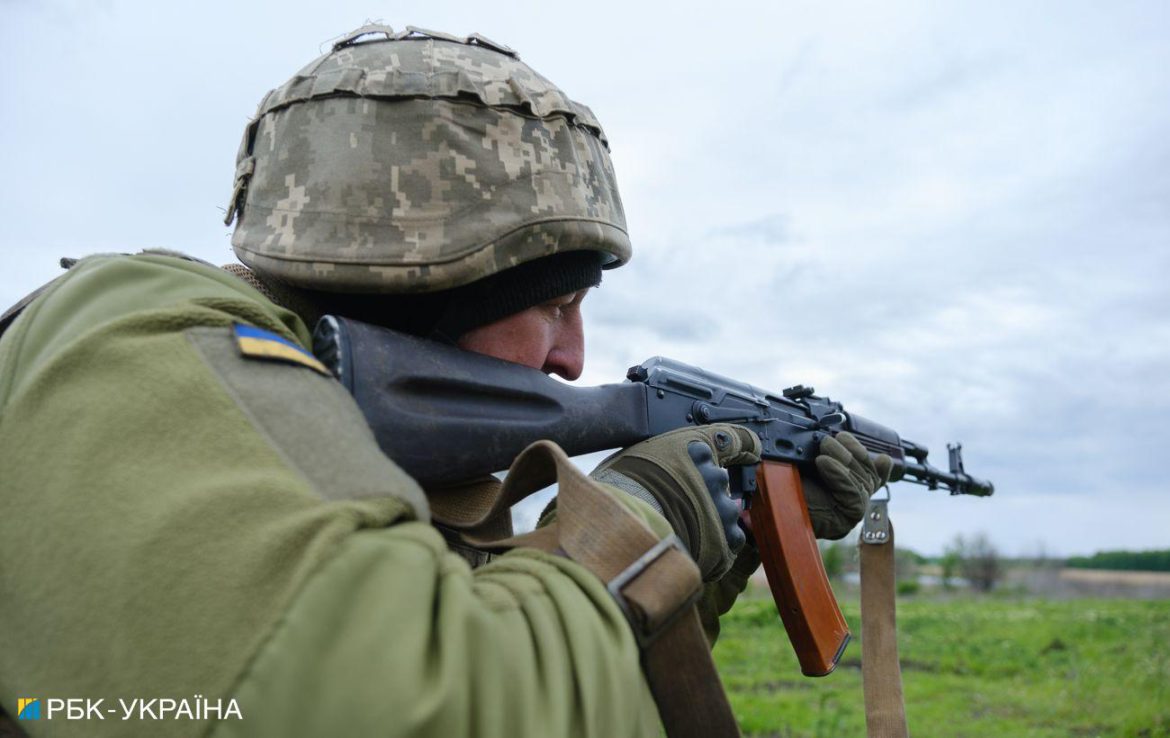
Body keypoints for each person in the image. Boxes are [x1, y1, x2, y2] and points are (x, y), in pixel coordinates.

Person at [0, 25, 889, 737]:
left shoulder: (363, 464)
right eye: (554, 303)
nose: (574, 358)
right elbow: (410, 706)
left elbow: (580, 704)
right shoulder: (132, 332)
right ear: (421, 276)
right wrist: (644, 515)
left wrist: (713, 543)